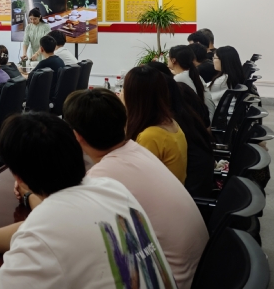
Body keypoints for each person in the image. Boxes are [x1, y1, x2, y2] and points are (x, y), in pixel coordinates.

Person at [0, 113, 176, 289]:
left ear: (18, 177)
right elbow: (34, 228)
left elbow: (43, 231)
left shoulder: (50, 225)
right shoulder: (111, 188)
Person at [63, 89, 207, 289]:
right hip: (202, 271)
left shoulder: (103, 176)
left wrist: (29, 194)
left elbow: (60, 223)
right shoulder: (137, 150)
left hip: (172, 280)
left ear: (76, 136)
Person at [121, 66, 188, 182]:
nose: (121, 93)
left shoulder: (150, 136)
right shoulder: (170, 123)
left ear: (133, 96)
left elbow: (134, 180)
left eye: (124, 88)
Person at [168, 45, 214, 122]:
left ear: (173, 60)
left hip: (201, 122)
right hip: (207, 118)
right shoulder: (192, 73)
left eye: (168, 57)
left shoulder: (179, 78)